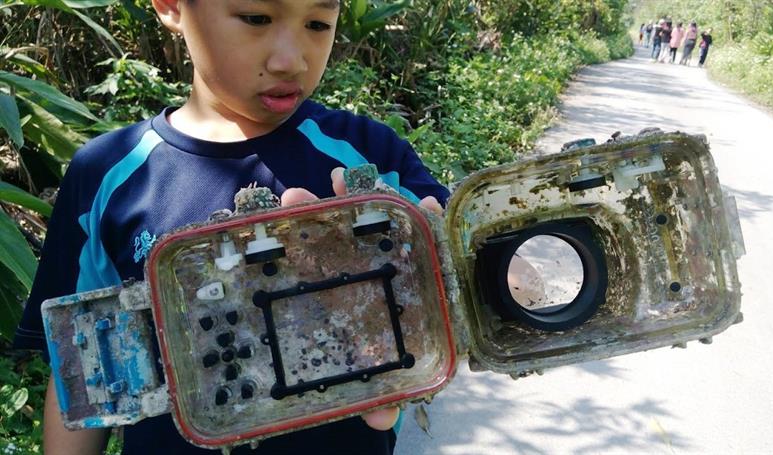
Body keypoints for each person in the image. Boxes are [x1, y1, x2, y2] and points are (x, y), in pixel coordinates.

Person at [11, 1, 449, 454]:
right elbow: (87, 369)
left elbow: (478, 258)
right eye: (257, 18)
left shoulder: (367, 159)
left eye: (318, 24)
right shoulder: (107, 175)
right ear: (171, 6)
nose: (291, 60)